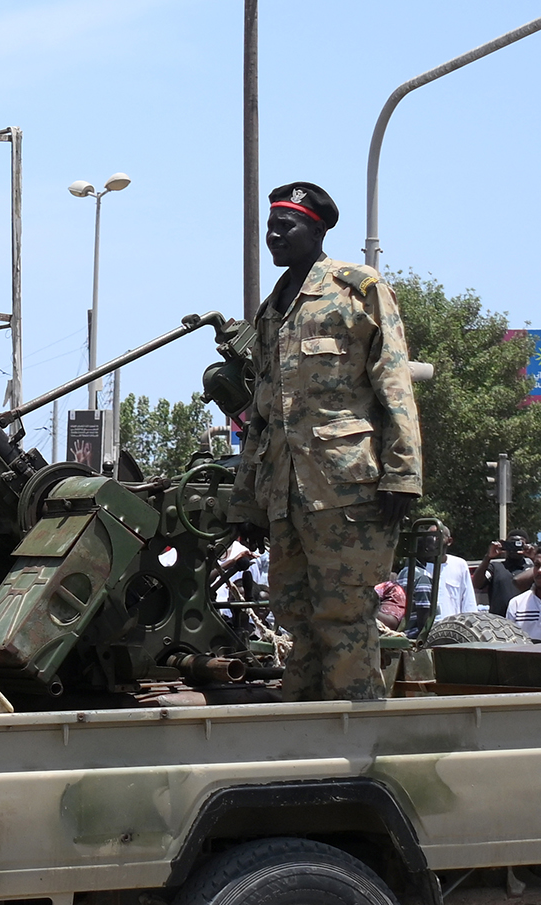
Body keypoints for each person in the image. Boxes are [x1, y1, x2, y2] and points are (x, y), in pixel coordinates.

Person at [227, 182, 422, 701]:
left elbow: (394, 383)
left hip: (347, 490)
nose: (273, 235)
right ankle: (305, 732)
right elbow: (264, 413)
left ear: (317, 230)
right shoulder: (272, 310)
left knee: (344, 616)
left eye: (285, 226)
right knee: (295, 615)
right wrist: (249, 497)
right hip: (286, 494)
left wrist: (403, 473)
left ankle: (355, 741)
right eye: (269, 226)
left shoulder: (357, 289)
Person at [476, 531, 533, 618]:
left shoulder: (532, 570)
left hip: (525, 620)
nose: (514, 547)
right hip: (498, 623)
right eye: (511, 543)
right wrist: (488, 557)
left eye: (519, 543)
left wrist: (534, 557)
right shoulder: (495, 567)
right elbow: (477, 584)